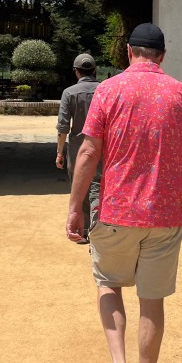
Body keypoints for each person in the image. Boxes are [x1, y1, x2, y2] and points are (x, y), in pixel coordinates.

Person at [66, 23, 182, 363]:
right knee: (152, 301)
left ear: (129, 51)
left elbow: (88, 152)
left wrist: (74, 207)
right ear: (162, 55)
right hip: (164, 217)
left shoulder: (108, 91)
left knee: (108, 283)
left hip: (115, 212)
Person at [57, 53, 101, 244]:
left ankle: (82, 230)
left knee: (79, 185)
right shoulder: (104, 90)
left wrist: (60, 152)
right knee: (98, 187)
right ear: (95, 70)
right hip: (102, 145)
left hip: (77, 147)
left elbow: (63, 126)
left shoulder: (69, 93)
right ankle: (97, 229)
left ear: (76, 72)